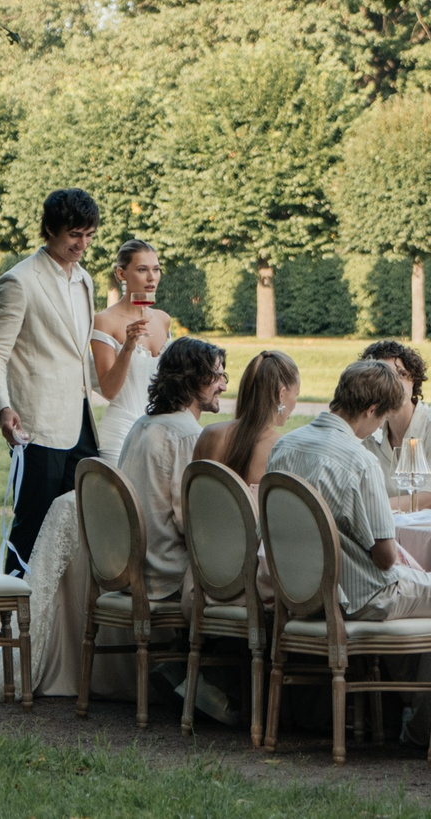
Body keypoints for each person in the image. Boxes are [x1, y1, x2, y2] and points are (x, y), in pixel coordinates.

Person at [0, 188, 103, 576]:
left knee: (79, 529)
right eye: (74, 235)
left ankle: (56, 630)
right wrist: (2, 409)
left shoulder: (85, 280)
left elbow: (80, 353)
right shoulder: (18, 281)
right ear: (50, 229)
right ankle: (12, 626)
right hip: (37, 427)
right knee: (31, 529)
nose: (82, 244)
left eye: (88, 235)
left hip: (82, 427)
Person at [266, 360, 431, 620]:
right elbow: (384, 558)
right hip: (360, 597)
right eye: (382, 418)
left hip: (296, 591)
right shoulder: (359, 461)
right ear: (372, 410)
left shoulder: (284, 446)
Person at [115, 336, 227, 598]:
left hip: (125, 569)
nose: (222, 385)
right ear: (190, 380)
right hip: (165, 575)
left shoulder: (140, 425)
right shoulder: (188, 435)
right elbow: (191, 522)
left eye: (224, 376)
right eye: (216, 377)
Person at [92, 238, 172, 463]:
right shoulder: (104, 321)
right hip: (121, 430)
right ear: (121, 274)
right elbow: (108, 390)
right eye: (142, 269)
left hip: (158, 429)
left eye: (156, 270)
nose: (151, 277)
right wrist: (127, 347)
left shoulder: (163, 320)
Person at [358, 340, 431, 507]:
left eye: (402, 374)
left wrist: (371, 507)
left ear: (413, 379)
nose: (396, 384)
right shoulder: (366, 430)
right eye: (385, 377)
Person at [194, 348, 298, 488]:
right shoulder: (281, 449)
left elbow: (193, 497)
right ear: (282, 394)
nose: (295, 403)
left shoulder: (208, 434)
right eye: (296, 394)